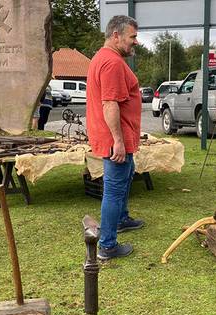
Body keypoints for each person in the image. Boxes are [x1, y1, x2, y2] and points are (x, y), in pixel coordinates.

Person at [86, 15, 143, 260]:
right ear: (116, 35)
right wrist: (118, 141)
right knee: (114, 189)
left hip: (119, 136)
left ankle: (122, 219)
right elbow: (110, 104)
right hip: (114, 140)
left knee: (126, 176)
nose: (136, 42)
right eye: (133, 37)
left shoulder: (104, 58)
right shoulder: (112, 63)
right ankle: (107, 246)